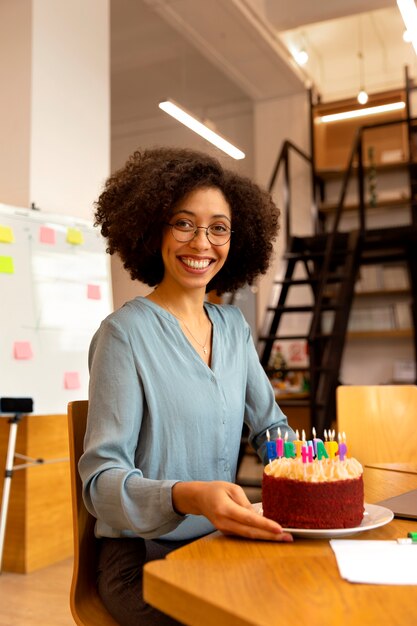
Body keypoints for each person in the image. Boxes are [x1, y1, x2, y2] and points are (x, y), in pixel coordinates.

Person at [79, 146, 295, 626]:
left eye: (218, 227)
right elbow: (100, 485)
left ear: (235, 240)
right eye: (183, 223)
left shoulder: (233, 328)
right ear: (154, 227)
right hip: (143, 560)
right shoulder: (123, 335)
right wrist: (187, 495)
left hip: (218, 543)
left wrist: (307, 475)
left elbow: (271, 428)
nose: (202, 243)